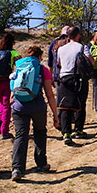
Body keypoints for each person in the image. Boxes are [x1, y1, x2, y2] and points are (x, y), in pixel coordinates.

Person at [10, 46, 60, 181]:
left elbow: (13, 90)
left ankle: (17, 169)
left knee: (21, 136)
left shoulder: (19, 67)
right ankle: (41, 164)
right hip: (37, 107)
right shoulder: (42, 69)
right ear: (39, 57)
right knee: (40, 132)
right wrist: (55, 115)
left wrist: (11, 109)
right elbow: (49, 95)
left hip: (19, 107)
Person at [56, 26, 94, 144]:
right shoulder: (81, 47)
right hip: (78, 78)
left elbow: (60, 63)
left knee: (65, 106)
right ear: (78, 35)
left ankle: (66, 133)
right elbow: (90, 60)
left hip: (64, 78)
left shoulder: (61, 49)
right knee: (80, 104)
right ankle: (78, 130)